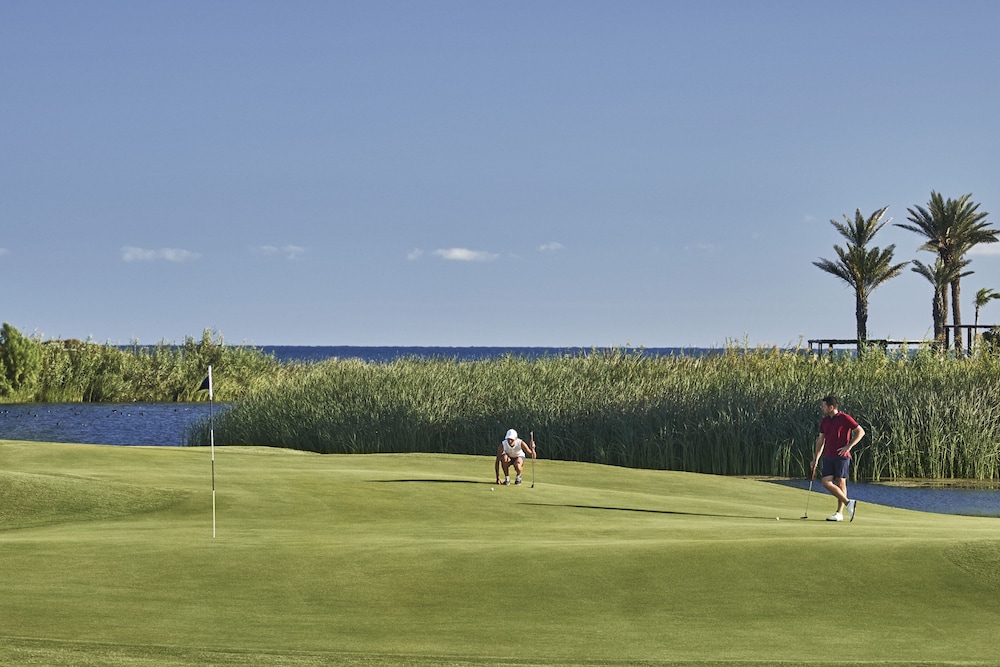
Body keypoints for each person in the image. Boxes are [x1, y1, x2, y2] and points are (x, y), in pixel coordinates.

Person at [811, 395, 865, 522]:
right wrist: (816, 459)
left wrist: (848, 446)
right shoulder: (824, 421)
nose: (822, 408)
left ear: (831, 407)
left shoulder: (844, 418)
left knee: (841, 482)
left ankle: (839, 513)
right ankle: (848, 503)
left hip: (842, 456)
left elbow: (860, 432)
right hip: (828, 456)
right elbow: (820, 441)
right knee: (826, 482)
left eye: (824, 406)